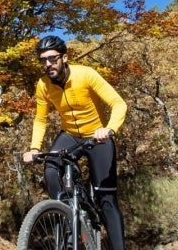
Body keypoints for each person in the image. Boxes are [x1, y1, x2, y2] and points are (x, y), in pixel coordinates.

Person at [23, 35, 128, 250]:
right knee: (51, 168)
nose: (47, 64)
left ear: (64, 57)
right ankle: (66, 215)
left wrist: (108, 129)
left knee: (106, 198)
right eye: (42, 60)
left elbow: (118, 103)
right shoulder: (43, 85)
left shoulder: (86, 75)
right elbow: (40, 119)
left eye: (52, 58)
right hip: (70, 134)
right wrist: (34, 148)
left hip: (97, 136)